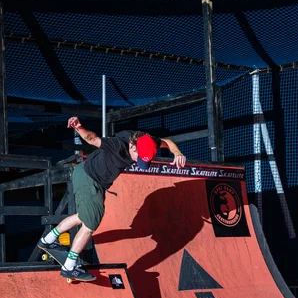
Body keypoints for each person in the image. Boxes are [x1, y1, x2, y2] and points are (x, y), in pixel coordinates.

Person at [38, 116, 187, 281]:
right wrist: (78, 127)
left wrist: (177, 152)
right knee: (90, 224)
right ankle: (69, 266)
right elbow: (93, 139)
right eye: (138, 158)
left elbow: (167, 142)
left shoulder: (147, 140)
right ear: (133, 147)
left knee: (85, 215)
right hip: (89, 178)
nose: (138, 162)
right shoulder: (118, 144)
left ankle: (48, 240)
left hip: (95, 180)